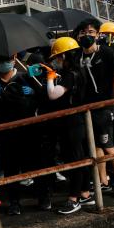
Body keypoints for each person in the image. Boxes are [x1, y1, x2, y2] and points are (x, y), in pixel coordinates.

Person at [74, 18, 114, 196]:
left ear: (98, 34)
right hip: (86, 109)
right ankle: (103, 181)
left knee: (108, 145)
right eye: (83, 32)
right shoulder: (77, 56)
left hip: (103, 108)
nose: (87, 35)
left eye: (91, 32)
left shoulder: (107, 53)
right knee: (95, 147)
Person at [43, 38, 95, 215]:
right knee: (80, 158)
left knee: (75, 160)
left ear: (64, 55)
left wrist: (50, 79)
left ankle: (74, 199)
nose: (55, 60)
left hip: (71, 123)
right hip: (76, 121)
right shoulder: (77, 71)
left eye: (57, 57)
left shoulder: (70, 74)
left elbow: (52, 95)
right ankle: (85, 193)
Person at [0, 55, 41, 215]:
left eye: (8, 59)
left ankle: (43, 196)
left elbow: (42, 98)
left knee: (34, 165)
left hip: (28, 131)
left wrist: (32, 93)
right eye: (1, 60)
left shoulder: (27, 78)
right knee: (10, 169)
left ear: (15, 59)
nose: (5, 63)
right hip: (5, 135)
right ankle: (14, 203)